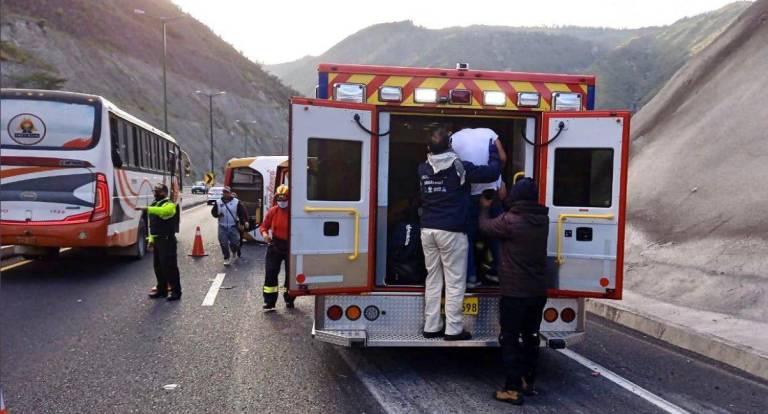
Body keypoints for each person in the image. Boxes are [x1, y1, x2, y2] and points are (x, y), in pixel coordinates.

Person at [418, 127, 501, 341]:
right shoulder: (459, 167)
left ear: (428, 148)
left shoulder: (423, 169)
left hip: (428, 230)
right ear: (450, 146)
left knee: (433, 278)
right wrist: (492, 151)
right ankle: (453, 329)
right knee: (455, 282)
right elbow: (492, 172)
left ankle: (431, 325)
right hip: (452, 231)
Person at [478, 177, 549, 405]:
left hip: (514, 292)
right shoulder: (543, 219)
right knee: (530, 336)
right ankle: (528, 382)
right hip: (537, 291)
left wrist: (484, 209)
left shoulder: (510, 220)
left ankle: (512, 388)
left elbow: (485, 227)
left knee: (509, 338)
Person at [450, 127, 507, 287]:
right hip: (491, 193)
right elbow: (502, 157)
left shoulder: (454, 138)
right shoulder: (490, 133)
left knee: (466, 238)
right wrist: (499, 177)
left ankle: (470, 277)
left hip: (467, 194)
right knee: (497, 234)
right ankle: (500, 273)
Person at [136, 183, 182, 301]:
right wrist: (151, 240)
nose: (155, 193)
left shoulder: (169, 204)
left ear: (164, 193)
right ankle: (162, 290)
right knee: (158, 267)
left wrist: (147, 208)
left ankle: (176, 292)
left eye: (158, 191)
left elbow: (164, 212)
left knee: (170, 267)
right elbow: (153, 225)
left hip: (167, 240)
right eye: (155, 191)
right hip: (157, 240)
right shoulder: (155, 204)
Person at [260, 184, 294, 311]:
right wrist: (264, 234)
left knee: (290, 276)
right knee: (271, 273)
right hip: (275, 245)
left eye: (284, 199)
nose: (282, 202)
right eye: (279, 200)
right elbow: (264, 226)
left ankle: (289, 298)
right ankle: (269, 301)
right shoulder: (273, 211)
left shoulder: (294, 212)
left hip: (291, 246)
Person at [211, 186, 247, 266]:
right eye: (224, 192)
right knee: (223, 243)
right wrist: (218, 215)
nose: (225, 194)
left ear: (230, 193)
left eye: (227, 192)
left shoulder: (236, 202)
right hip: (222, 226)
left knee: (235, 242)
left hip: (233, 226)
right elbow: (213, 212)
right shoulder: (218, 202)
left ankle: (234, 250)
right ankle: (226, 258)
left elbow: (242, 213)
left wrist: (242, 223)